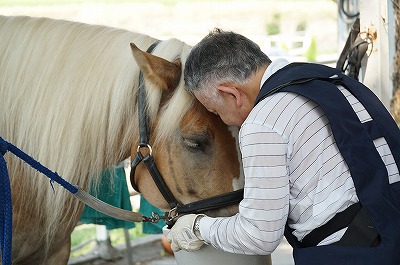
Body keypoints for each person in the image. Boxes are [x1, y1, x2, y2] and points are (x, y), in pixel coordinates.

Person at [166, 29, 400, 264]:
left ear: (232, 94)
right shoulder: (331, 80)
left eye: (216, 111)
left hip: (351, 254)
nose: (225, 121)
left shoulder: (263, 122)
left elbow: (259, 235)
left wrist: (196, 227)